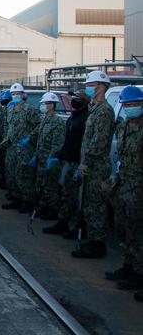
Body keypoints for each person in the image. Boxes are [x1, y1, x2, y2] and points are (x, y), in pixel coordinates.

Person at [72, 71, 117, 259]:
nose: (88, 88)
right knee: (89, 205)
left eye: (91, 85)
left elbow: (99, 141)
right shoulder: (95, 108)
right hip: (90, 165)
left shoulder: (105, 111)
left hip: (96, 166)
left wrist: (86, 161)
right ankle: (92, 240)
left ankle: (98, 244)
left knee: (97, 206)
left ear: (100, 86)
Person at [108, 86, 143, 295]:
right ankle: (129, 266)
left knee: (139, 231)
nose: (130, 108)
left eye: (134, 105)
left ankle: (139, 274)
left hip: (139, 185)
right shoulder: (124, 127)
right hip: (124, 183)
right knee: (125, 227)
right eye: (127, 105)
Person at [43, 93, 90, 236]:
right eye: (73, 100)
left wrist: (83, 162)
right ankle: (62, 223)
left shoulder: (86, 118)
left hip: (79, 163)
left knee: (79, 198)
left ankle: (80, 227)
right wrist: (59, 156)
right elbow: (67, 141)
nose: (74, 102)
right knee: (66, 194)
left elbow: (86, 143)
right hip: (69, 162)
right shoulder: (71, 119)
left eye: (78, 100)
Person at [1, 83, 40, 213]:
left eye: (18, 94)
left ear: (23, 95)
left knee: (23, 175)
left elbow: (38, 125)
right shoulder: (10, 110)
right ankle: (16, 198)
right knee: (11, 173)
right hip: (11, 147)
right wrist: (6, 138)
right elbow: (8, 126)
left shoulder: (29, 109)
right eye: (13, 94)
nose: (15, 96)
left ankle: (28, 201)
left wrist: (30, 137)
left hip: (24, 147)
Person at [34, 93, 67, 220]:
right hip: (42, 157)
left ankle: (53, 210)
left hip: (50, 159)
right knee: (42, 184)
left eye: (45, 104)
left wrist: (52, 157)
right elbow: (40, 139)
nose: (43, 106)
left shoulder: (57, 122)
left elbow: (58, 143)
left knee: (51, 185)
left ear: (52, 105)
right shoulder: (44, 119)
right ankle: (43, 207)